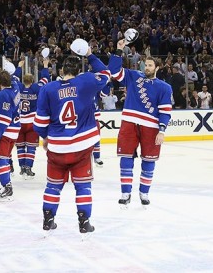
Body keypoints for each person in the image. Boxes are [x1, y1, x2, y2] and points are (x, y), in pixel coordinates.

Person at [34, 47, 109, 235]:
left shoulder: (48, 88)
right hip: (82, 146)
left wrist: (45, 137)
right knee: (83, 186)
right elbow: (107, 73)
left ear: (61, 71)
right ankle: (84, 223)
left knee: (53, 185)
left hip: (57, 146)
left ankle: (47, 220)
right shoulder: (86, 80)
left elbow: (39, 123)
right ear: (78, 72)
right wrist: (90, 54)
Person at [109, 38, 173, 207]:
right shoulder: (133, 75)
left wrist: (162, 130)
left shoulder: (164, 87)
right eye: (146, 65)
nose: (147, 67)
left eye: (151, 65)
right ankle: (125, 193)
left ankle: (144, 193)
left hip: (151, 127)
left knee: (149, 160)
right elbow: (114, 72)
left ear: (157, 68)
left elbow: (165, 111)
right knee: (125, 158)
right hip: (129, 122)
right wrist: (118, 50)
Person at [13, 58, 50, 180]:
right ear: (33, 80)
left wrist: (19, 66)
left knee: (20, 146)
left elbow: (13, 78)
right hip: (32, 122)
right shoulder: (36, 88)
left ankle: (22, 167)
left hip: (19, 122)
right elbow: (45, 80)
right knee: (31, 146)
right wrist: (45, 66)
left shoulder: (18, 87)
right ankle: (28, 167)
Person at [0, 69, 20, 201]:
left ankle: (7, 187)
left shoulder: (2, 95)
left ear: (0, 82)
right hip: (15, 130)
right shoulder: (15, 88)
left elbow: (3, 119)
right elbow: (13, 80)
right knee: (5, 157)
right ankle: (6, 184)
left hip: (5, 132)